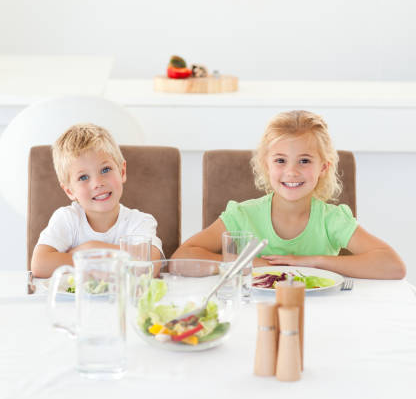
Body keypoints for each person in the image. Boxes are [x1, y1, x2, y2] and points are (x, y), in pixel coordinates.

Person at [173, 110, 406, 279]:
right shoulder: (243, 216)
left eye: (304, 161)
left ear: (323, 167)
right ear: (266, 165)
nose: (291, 171)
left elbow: (393, 266)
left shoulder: (331, 219)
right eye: (280, 160)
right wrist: (256, 264)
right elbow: (181, 260)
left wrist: (313, 263)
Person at [31, 123, 163, 277]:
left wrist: (88, 250)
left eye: (105, 170)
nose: (97, 183)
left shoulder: (140, 221)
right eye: (83, 177)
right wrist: (121, 257)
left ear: (122, 171)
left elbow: (148, 264)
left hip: (122, 300)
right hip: (75, 300)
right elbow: (40, 265)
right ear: (69, 191)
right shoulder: (67, 219)